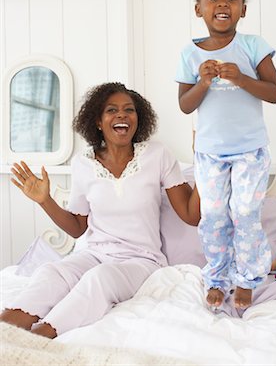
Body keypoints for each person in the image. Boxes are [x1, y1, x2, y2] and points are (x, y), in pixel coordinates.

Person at [0, 82, 200, 338]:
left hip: (141, 261)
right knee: (52, 271)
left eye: (129, 110)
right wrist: (44, 199)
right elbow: (77, 228)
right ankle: (6, 332)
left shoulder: (157, 155)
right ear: (97, 121)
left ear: (139, 118)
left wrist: (204, 161)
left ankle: (39, 337)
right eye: (111, 110)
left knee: (100, 278)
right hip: (95, 254)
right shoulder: (83, 163)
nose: (121, 115)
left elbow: (191, 215)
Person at [175, 0, 276, 310]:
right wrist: (204, 81)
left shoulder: (253, 45)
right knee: (215, 216)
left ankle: (249, 277)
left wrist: (241, 78)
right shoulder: (190, 54)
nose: (223, 3)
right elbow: (185, 105)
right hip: (210, 154)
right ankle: (218, 276)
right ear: (198, 8)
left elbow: (274, 92)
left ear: (243, 9)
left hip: (250, 151)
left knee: (246, 212)